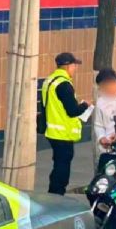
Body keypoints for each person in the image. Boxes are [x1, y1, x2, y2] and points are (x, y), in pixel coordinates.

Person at [42, 52, 91, 195]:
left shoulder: (50, 81)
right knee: (62, 167)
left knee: (58, 164)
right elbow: (72, 110)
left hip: (52, 131)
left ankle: (54, 193)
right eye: (74, 65)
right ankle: (57, 195)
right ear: (68, 66)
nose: (75, 68)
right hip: (63, 133)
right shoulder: (64, 84)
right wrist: (85, 105)